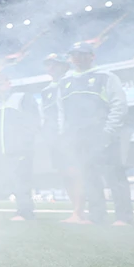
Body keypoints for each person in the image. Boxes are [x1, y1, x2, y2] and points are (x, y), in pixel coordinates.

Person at [60, 42, 131, 226]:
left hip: (103, 135)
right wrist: (65, 134)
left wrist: (108, 131)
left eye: (83, 54)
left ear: (92, 56)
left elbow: (119, 105)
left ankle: (123, 218)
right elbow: (62, 112)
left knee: (114, 176)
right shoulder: (65, 82)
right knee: (89, 177)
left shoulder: (105, 76)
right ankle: (96, 216)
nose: (78, 58)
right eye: (74, 54)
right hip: (78, 138)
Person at [0, 72, 37, 221]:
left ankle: (25, 212)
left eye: (0, 83)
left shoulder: (22, 98)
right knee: (11, 180)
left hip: (20, 149)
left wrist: (26, 142)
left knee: (22, 179)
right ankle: (23, 209)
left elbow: (33, 121)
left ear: (9, 83)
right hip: (0, 152)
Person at [40, 54, 84, 222]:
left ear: (64, 65)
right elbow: (46, 116)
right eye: (48, 65)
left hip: (72, 136)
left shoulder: (74, 81)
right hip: (55, 139)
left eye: (54, 64)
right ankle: (76, 210)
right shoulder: (46, 90)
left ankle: (80, 212)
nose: (50, 68)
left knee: (76, 172)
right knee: (65, 174)